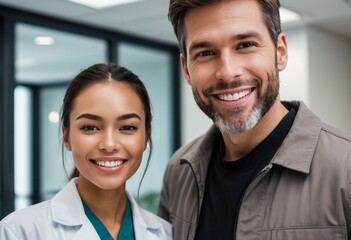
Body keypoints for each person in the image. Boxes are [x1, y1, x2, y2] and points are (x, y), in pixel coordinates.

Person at [158, 0, 351, 239]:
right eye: (206, 53)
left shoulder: (346, 169)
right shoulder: (179, 171)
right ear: (186, 69)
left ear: (280, 52)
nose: (228, 72)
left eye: (246, 45)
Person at [0, 63, 172, 240]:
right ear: (66, 136)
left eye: (127, 127)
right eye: (90, 127)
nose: (109, 144)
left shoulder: (167, 234)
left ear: (146, 136)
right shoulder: (19, 232)